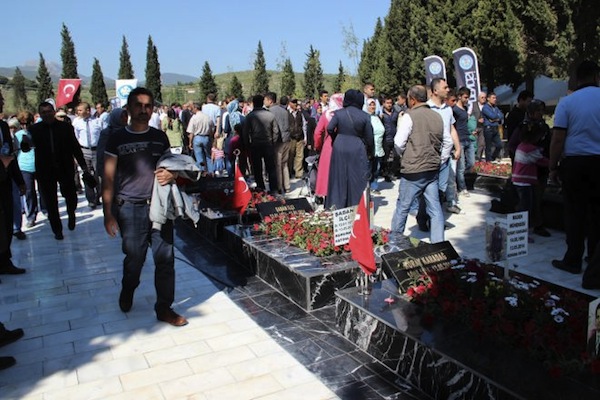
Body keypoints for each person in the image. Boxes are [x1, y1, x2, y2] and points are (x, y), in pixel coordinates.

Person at [102, 87, 187, 327]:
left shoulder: (160, 137)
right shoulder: (117, 138)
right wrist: (108, 213)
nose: (143, 110)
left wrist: (172, 174)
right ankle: (128, 287)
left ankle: (164, 308)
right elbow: (107, 177)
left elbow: (171, 166)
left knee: (165, 260)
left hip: (159, 207)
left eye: (148, 106)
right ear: (128, 109)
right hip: (130, 209)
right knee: (135, 259)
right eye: (138, 105)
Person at [549, 61, 600, 290]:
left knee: (575, 213)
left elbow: (558, 138)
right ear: (596, 77)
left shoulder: (567, 102)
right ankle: (594, 259)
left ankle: (573, 260)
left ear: (577, 78)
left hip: (576, 163)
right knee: (597, 213)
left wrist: (553, 166)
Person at [28, 102, 90, 240]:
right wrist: (25, 142)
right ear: (40, 114)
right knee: (50, 201)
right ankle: (57, 230)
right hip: (45, 169)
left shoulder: (65, 127)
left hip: (65, 167)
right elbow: (27, 147)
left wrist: (83, 166)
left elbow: (75, 147)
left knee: (71, 196)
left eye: (49, 111)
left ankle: (71, 213)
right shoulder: (34, 129)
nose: (47, 114)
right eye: (43, 112)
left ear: (54, 111)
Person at [391, 85, 444, 243]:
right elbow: (446, 142)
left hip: (413, 169)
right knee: (435, 209)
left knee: (403, 207)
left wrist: (405, 156)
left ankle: (394, 242)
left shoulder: (409, 116)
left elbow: (398, 143)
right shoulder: (437, 116)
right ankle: (439, 243)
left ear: (412, 100)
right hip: (432, 169)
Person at [325, 89, 374, 210]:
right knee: (356, 178)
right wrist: (370, 152)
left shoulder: (338, 113)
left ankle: (336, 205)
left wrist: (336, 138)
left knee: (338, 176)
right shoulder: (365, 116)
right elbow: (369, 138)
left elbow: (330, 128)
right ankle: (356, 206)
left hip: (340, 145)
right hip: (357, 147)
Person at [511, 121, 549, 243]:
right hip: (524, 182)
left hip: (518, 181)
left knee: (522, 207)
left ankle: (518, 230)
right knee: (525, 209)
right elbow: (541, 161)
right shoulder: (530, 149)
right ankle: (521, 233)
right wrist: (554, 162)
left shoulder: (521, 146)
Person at [242, 94, 279, 194]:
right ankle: (274, 189)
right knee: (271, 168)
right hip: (268, 144)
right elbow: (276, 131)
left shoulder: (250, 117)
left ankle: (260, 189)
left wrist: (247, 145)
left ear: (253, 103)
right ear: (262, 102)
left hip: (255, 145)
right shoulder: (270, 115)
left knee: (257, 169)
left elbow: (245, 132)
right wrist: (273, 142)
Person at [72, 102, 103, 209]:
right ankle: (91, 199)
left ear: (88, 110)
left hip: (96, 151)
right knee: (87, 175)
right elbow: (76, 138)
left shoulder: (98, 121)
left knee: (99, 176)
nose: (78, 112)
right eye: (78, 110)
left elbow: (103, 136)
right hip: (84, 151)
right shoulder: (77, 123)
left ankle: (98, 196)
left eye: (80, 110)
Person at [313, 93, 343, 200]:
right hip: (342, 146)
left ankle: (325, 194)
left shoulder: (326, 114)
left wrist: (318, 146)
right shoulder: (344, 114)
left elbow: (317, 133)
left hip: (328, 145)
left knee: (326, 173)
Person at [14, 111, 38, 228]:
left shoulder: (37, 132)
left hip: (39, 164)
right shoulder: (17, 135)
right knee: (29, 192)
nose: (25, 126)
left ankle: (46, 210)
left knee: (44, 191)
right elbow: (15, 151)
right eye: (22, 124)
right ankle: (31, 216)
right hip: (24, 166)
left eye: (27, 123)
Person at [264, 92, 291, 193]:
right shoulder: (284, 111)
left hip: (278, 141)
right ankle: (287, 186)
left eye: (265, 100)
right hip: (287, 139)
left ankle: (279, 187)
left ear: (270, 101)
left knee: (277, 165)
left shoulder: (270, 112)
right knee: (284, 164)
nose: (264, 102)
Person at [453, 87, 475, 196]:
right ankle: (462, 187)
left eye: (468, 97)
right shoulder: (454, 110)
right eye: (465, 97)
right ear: (459, 96)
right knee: (460, 166)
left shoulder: (465, 109)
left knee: (471, 163)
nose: (467, 100)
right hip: (459, 139)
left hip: (468, 138)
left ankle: (461, 181)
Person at [96, 108, 128, 181]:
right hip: (111, 169)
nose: (124, 119)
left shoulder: (128, 131)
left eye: (125, 116)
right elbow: (101, 153)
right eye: (122, 117)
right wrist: (101, 170)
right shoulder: (107, 133)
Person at [187, 102, 214, 172]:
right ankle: (211, 172)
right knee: (208, 156)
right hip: (206, 137)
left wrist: (190, 142)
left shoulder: (194, 118)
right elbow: (212, 129)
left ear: (196, 108)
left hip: (197, 137)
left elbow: (191, 132)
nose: (192, 110)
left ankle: (202, 172)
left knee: (199, 157)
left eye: (193, 108)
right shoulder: (208, 117)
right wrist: (211, 139)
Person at [367, 99, 385, 194]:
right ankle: (366, 187)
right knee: (368, 169)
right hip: (370, 148)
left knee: (377, 168)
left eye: (374, 105)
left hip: (379, 147)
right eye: (370, 105)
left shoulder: (377, 117)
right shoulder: (366, 118)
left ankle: (374, 186)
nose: (372, 107)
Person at [380, 95, 400, 182]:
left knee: (397, 156)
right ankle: (385, 174)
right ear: (383, 104)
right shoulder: (381, 114)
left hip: (395, 138)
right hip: (386, 139)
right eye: (387, 103)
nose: (389, 105)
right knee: (385, 158)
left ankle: (392, 172)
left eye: (390, 103)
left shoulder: (395, 113)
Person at [481, 92, 504, 162]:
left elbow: (501, 115)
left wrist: (495, 119)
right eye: (493, 98)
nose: (495, 99)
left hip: (495, 128)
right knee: (488, 146)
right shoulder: (485, 108)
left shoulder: (495, 107)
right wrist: (496, 118)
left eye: (495, 98)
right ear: (488, 99)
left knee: (499, 145)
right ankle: (488, 161)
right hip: (488, 128)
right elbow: (492, 116)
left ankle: (493, 157)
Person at [288, 98, 307, 179]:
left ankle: (298, 173)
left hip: (300, 137)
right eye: (293, 102)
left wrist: (305, 137)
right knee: (290, 155)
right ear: (290, 103)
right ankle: (289, 172)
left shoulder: (300, 114)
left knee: (299, 155)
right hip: (290, 138)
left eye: (296, 102)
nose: (295, 104)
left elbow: (304, 125)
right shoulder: (287, 113)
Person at [471, 91, 487, 161]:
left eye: (485, 97)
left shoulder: (486, 106)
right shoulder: (473, 105)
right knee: (474, 143)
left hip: (482, 127)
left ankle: (478, 158)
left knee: (482, 143)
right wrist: (477, 120)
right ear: (478, 98)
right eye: (482, 97)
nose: (484, 99)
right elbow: (469, 115)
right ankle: (473, 158)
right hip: (474, 126)